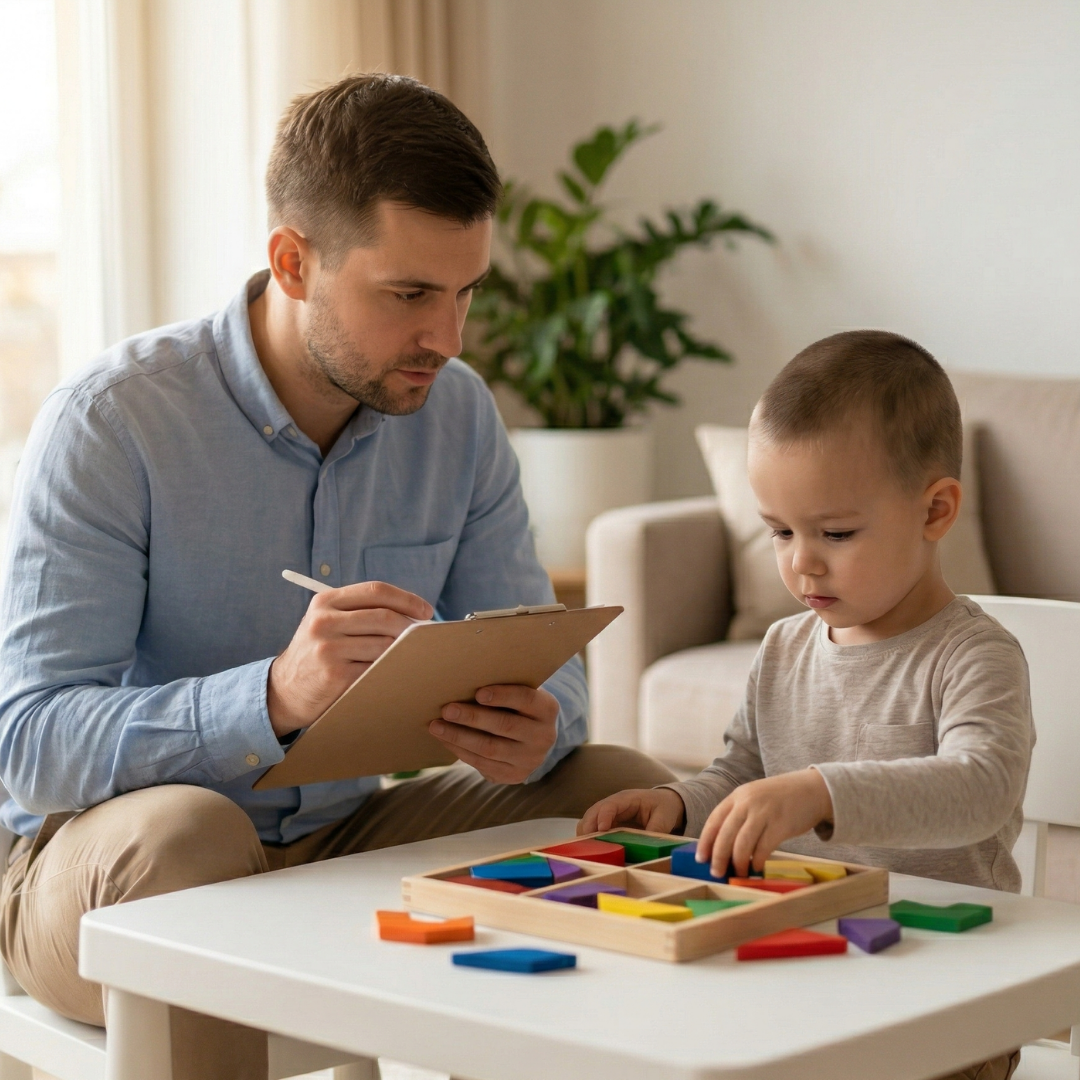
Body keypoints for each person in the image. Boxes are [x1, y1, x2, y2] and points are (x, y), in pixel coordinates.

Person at [0, 74, 674, 1080]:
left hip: (346, 836)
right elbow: (29, 745)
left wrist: (539, 725)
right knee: (193, 836)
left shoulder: (460, 416)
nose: (447, 339)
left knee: (632, 799)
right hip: (102, 865)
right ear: (293, 262)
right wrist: (271, 699)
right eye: (408, 295)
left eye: (465, 293)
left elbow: (548, 662)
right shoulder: (115, 422)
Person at [581, 330, 1033, 1080]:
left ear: (936, 511)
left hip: (947, 996)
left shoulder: (973, 655)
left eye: (836, 532)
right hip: (803, 972)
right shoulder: (786, 647)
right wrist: (679, 805)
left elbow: (982, 786)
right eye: (780, 532)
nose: (801, 561)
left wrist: (820, 791)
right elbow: (743, 770)